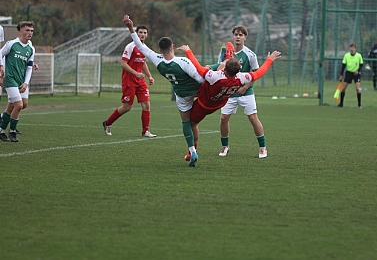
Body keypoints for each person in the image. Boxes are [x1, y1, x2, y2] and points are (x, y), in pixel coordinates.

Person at [177, 44, 282, 163]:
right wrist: (269, 60)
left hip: (204, 104)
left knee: (191, 124)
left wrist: (188, 51)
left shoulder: (215, 76)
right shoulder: (242, 77)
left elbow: (198, 67)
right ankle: (228, 55)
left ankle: (192, 151)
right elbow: (259, 73)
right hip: (221, 102)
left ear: (225, 69)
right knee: (222, 117)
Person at [124, 15, 204, 167]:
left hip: (181, 95)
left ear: (160, 49)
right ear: (173, 46)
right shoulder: (183, 61)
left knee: (186, 122)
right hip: (198, 92)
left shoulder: (157, 60)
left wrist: (130, 28)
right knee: (211, 70)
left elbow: (141, 47)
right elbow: (201, 78)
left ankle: (192, 150)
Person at [214, 25, 270, 159]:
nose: (238, 37)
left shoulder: (250, 55)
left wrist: (245, 87)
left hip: (246, 92)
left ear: (245, 37)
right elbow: (220, 69)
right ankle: (225, 146)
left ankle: (262, 148)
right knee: (223, 119)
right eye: (236, 34)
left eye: (241, 35)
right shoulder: (225, 52)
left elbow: (256, 73)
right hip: (229, 92)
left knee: (253, 118)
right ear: (233, 36)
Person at [103, 24, 156, 137]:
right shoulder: (130, 46)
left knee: (146, 104)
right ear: (136, 34)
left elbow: (143, 62)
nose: (142, 34)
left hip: (140, 81)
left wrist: (149, 76)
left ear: (147, 35)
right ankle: (107, 123)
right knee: (127, 107)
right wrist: (136, 73)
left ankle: (145, 131)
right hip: (129, 81)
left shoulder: (144, 47)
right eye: (140, 32)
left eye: (145, 33)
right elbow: (123, 64)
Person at [0, 21, 35, 142]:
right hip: (9, 79)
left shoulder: (31, 48)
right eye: (27, 30)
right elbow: (0, 53)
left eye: (31, 30)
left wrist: (26, 83)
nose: (29, 33)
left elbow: (29, 67)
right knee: (18, 105)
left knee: (18, 105)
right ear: (20, 31)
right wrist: (1, 68)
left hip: (21, 80)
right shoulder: (12, 44)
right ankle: (12, 132)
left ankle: (1, 128)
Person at [338, 43, 363, 108]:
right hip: (349, 73)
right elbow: (343, 66)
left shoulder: (359, 55)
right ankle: (341, 104)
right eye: (350, 47)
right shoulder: (346, 56)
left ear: (355, 48)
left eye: (353, 47)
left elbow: (361, 64)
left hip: (356, 74)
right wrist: (341, 75)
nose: (352, 49)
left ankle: (359, 105)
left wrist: (358, 71)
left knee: (357, 89)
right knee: (343, 89)